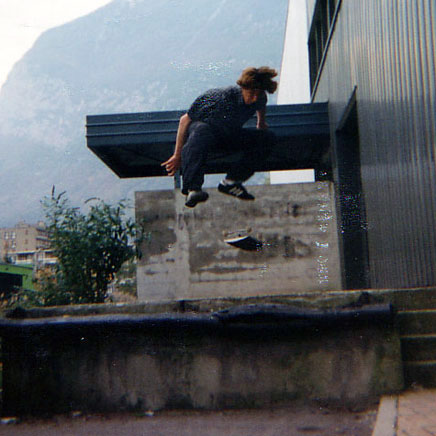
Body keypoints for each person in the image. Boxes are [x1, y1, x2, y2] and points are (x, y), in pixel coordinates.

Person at [161, 66, 278, 207]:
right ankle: (193, 189)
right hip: (204, 134)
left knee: (267, 137)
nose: (254, 98)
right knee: (201, 130)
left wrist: (261, 122)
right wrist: (177, 155)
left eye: (258, 94)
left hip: (228, 135)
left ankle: (231, 182)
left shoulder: (260, 98)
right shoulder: (220, 97)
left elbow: (261, 106)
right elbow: (184, 120)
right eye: (251, 93)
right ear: (243, 88)